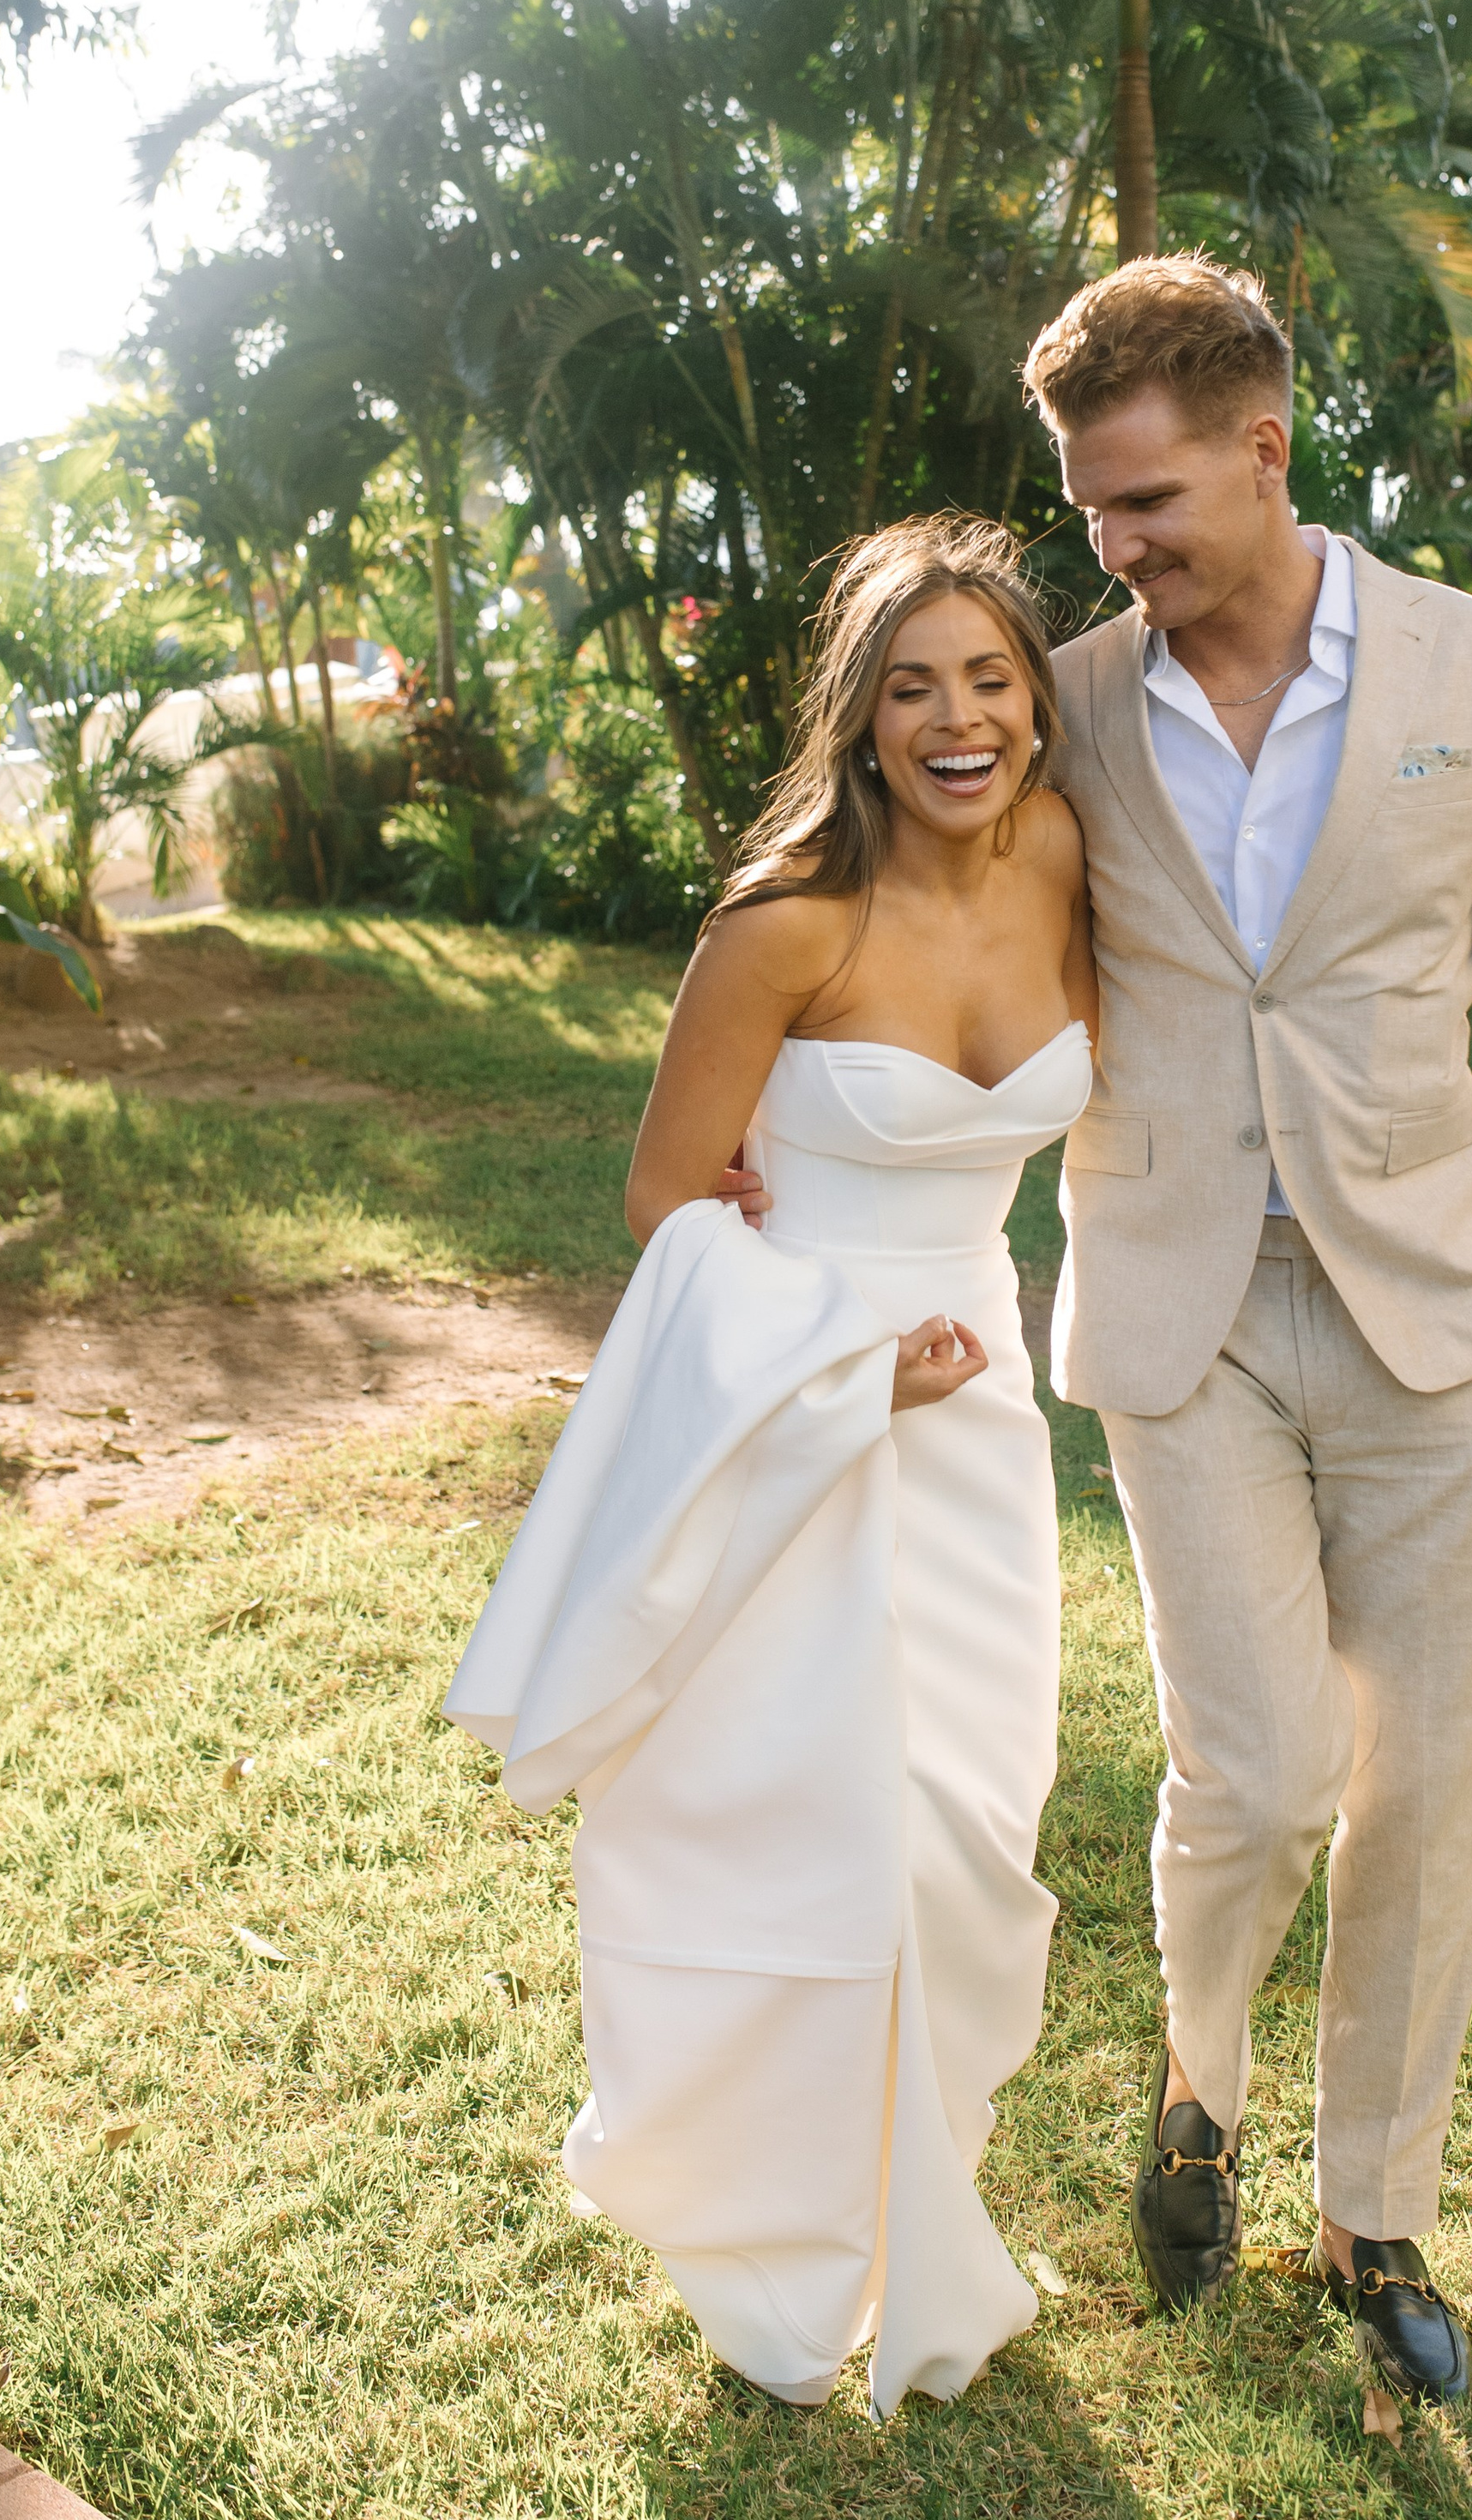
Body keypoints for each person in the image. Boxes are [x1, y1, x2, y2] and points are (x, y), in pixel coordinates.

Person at [1022, 252, 1472, 2420]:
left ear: (1264, 453)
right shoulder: (1070, 694)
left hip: (1441, 1317)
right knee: (1257, 1771)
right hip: (1178, 1308)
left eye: (1148, 502)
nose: (1115, 549)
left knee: (1419, 1791)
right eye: (1089, 509)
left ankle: (1371, 2216)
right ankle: (1199, 2084)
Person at [445, 514, 1094, 2421]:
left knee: (971, 1832)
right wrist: (832, 1362)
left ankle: (924, 2191)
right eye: (910, 688)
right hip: (802, 1424)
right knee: (802, 1842)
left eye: (986, 679)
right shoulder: (782, 922)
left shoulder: (1068, 858)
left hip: (975, 1418)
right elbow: (664, 1195)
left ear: (1036, 704)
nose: (954, 718)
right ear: (860, 716)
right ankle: (787, 2256)